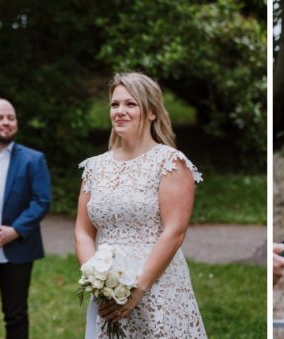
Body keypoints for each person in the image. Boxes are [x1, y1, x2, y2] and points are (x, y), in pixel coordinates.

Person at [74, 72, 206, 338]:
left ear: (152, 112)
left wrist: (139, 288)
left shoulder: (169, 162)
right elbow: (83, 230)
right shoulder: (95, 167)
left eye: (130, 104)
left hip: (157, 286)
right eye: (115, 104)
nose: (120, 111)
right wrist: (97, 280)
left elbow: (174, 231)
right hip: (109, 293)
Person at [0, 98, 52, 339]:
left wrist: (13, 231)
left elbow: (41, 201)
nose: (6, 122)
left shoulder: (33, 159)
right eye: (0, 118)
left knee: (16, 315)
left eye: (11, 118)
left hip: (18, 250)